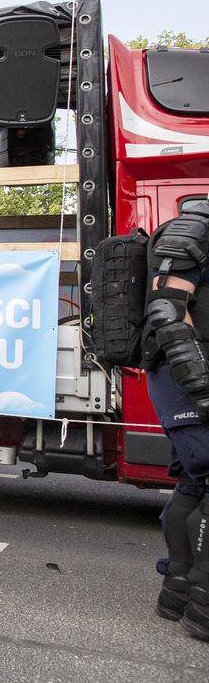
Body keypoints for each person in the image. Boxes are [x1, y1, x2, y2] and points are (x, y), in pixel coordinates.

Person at [141, 199, 209, 642]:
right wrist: (201, 386)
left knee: (193, 482)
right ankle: (203, 608)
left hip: (189, 376)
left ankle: (179, 592)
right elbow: (167, 311)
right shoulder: (193, 231)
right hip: (185, 377)